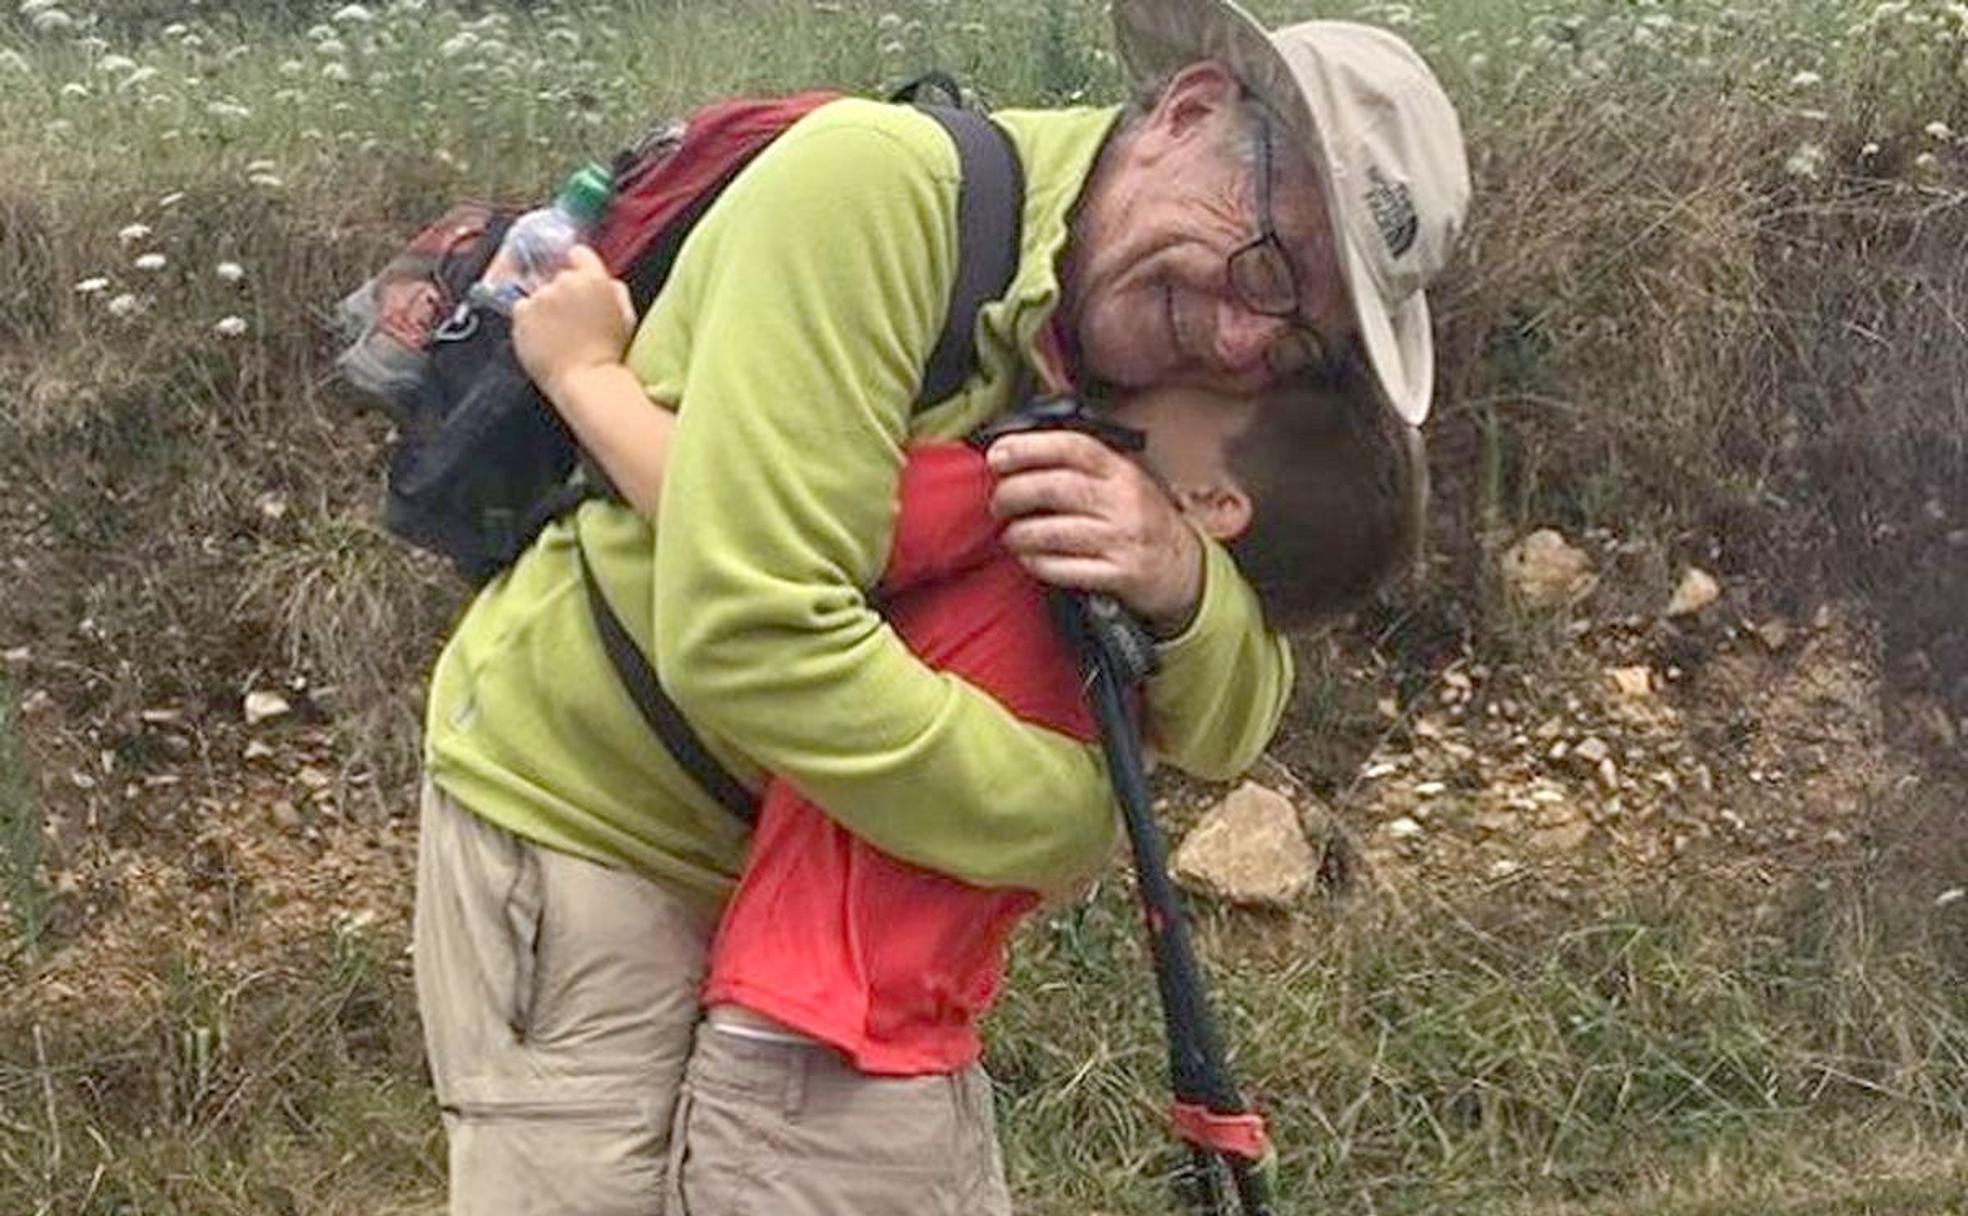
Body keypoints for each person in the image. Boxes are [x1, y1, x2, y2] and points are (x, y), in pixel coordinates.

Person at [409, 0, 1470, 1210]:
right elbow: (752, 632)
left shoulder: (1160, 380)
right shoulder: (878, 198)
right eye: (1267, 262)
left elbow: (1232, 719)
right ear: (1189, 110)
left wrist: (1179, 584)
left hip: (796, 890)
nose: (1240, 336)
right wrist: (1073, 818)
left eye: (1293, 339)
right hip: (595, 823)